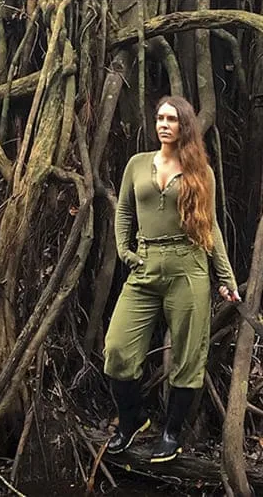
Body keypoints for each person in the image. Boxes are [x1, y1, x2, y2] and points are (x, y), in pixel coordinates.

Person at [103, 95, 240, 463]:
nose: (163, 124)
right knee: (117, 349)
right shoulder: (137, 164)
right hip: (145, 265)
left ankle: (171, 434)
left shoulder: (201, 172)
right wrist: (125, 251)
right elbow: (124, 211)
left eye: (172, 119)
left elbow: (211, 227)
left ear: (185, 126)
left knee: (188, 355)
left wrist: (225, 278)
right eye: (160, 118)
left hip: (188, 267)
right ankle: (132, 421)